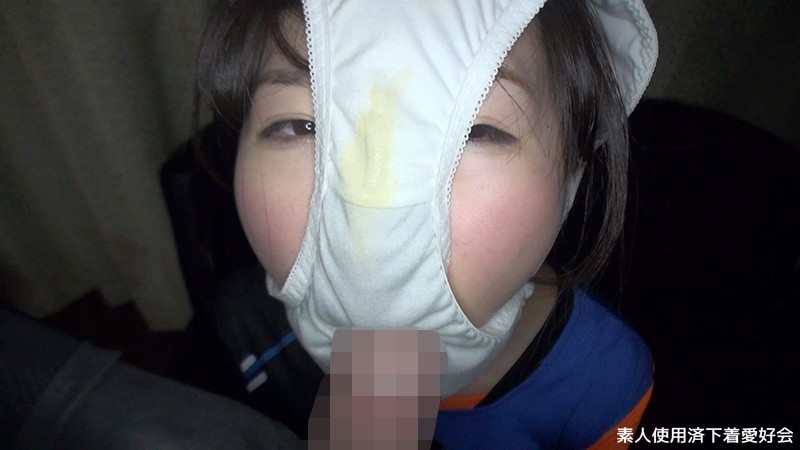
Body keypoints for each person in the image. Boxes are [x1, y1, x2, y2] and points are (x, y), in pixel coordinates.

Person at [194, 0, 658, 447]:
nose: (373, 199)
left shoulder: (604, 384)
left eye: (479, 130)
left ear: (572, 170)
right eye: (301, 125)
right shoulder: (241, 333)